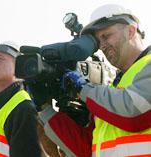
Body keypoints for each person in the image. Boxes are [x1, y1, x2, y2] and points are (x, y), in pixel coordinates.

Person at [37, 4, 151, 157]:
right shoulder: (113, 88)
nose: (102, 46)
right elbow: (84, 149)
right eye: (98, 41)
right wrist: (45, 110)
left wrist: (83, 89)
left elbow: (134, 113)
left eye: (106, 36)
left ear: (130, 32)